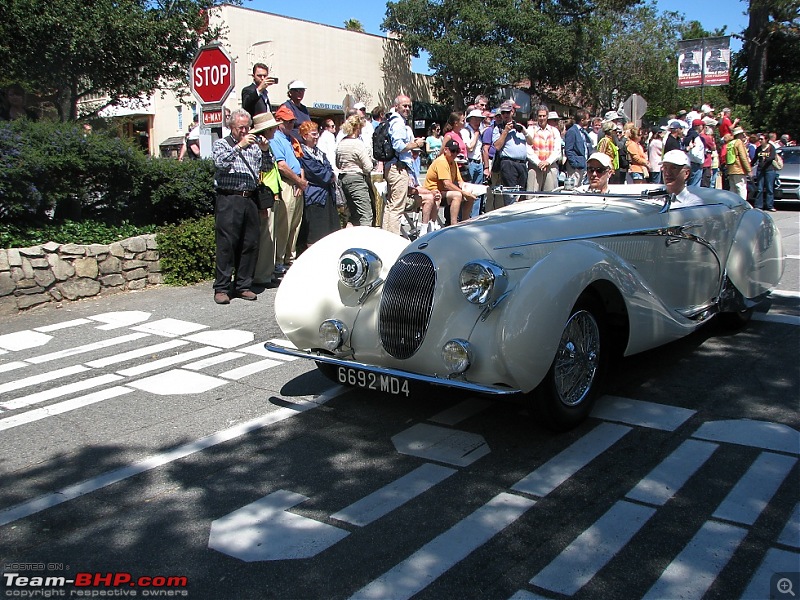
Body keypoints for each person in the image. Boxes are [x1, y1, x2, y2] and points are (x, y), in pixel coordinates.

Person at [211, 108, 270, 304]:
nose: (245, 132)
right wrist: (239, 147)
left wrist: (265, 151)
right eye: (240, 128)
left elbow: (266, 169)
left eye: (247, 127)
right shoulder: (222, 144)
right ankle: (222, 287)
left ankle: (243, 285)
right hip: (229, 198)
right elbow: (220, 163)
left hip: (250, 198)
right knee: (227, 244)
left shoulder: (253, 147)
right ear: (231, 127)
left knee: (250, 243)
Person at [271, 105, 308, 277]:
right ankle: (278, 261)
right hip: (287, 183)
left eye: (292, 121)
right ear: (279, 122)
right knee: (283, 225)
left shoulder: (290, 138)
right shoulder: (275, 139)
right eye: (287, 122)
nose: (291, 124)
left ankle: (289, 258)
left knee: (295, 224)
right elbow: (282, 166)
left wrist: (301, 182)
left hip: (297, 184)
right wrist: (298, 181)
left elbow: (298, 162)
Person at [382, 94, 425, 235]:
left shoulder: (393, 120)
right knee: (397, 206)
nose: (407, 109)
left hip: (393, 166)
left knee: (391, 206)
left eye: (409, 106)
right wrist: (416, 144)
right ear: (397, 106)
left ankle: (386, 235)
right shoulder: (398, 122)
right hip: (398, 167)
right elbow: (399, 146)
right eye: (404, 106)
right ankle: (392, 239)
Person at [297, 121, 340, 250]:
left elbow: (328, 167)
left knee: (330, 230)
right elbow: (315, 172)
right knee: (315, 232)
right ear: (305, 136)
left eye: (317, 134)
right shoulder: (302, 153)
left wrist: (330, 174)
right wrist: (329, 175)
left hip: (327, 195)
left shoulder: (320, 152)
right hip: (315, 197)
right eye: (313, 134)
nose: (316, 137)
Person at [249, 112, 282, 286]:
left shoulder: (266, 145)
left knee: (270, 237)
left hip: (270, 193)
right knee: (265, 237)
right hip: (262, 195)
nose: (276, 129)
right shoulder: (257, 146)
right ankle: (262, 275)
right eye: (273, 127)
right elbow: (262, 169)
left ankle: (267, 273)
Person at [336, 114, 377, 227]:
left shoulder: (341, 143)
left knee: (352, 215)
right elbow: (368, 166)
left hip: (343, 178)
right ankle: (363, 241)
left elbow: (337, 163)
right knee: (366, 214)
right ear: (357, 128)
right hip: (357, 179)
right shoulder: (358, 144)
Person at [424, 139, 476, 224]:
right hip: (433, 191)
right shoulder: (442, 161)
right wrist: (463, 192)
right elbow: (447, 184)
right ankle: (453, 224)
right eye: (452, 151)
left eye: (457, 151)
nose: (455, 154)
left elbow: (460, 181)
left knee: (471, 196)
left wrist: (469, 189)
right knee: (457, 195)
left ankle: (465, 222)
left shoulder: (453, 162)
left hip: (444, 192)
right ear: (445, 150)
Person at [493, 100, 535, 200]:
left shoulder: (520, 127)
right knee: (510, 194)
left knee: (521, 194)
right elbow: (497, 146)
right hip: (508, 164)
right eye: (503, 113)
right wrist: (505, 131)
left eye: (507, 112)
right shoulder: (498, 128)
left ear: (512, 112)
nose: (505, 115)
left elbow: (531, 142)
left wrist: (524, 131)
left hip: (522, 164)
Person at [526, 106, 560, 191]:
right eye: (540, 116)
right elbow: (528, 149)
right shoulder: (530, 130)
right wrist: (539, 163)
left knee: (551, 195)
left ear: (547, 116)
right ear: (537, 117)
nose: (542, 118)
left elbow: (557, 150)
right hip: (535, 166)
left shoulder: (554, 131)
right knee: (532, 195)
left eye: (544, 116)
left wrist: (547, 162)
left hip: (550, 166)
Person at [463, 109, 485, 217]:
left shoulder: (479, 132)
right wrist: (476, 135)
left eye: (479, 119)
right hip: (470, 163)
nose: (478, 122)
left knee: (478, 192)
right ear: (470, 120)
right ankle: (466, 216)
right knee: (469, 191)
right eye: (475, 119)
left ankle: (475, 216)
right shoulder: (466, 131)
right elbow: (470, 148)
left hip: (478, 163)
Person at [564, 109, 592, 185]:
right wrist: (574, 164)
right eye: (587, 119)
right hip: (575, 167)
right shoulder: (572, 131)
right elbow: (568, 149)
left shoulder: (582, 131)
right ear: (582, 120)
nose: (589, 120)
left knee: (581, 187)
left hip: (583, 164)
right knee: (574, 187)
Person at [754, 134, 778, 211]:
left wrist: (765, 161)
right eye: (759, 139)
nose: (760, 141)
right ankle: (758, 206)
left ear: (766, 139)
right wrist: (749, 166)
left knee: (769, 188)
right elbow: (755, 159)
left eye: (761, 139)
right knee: (760, 189)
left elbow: (772, 157)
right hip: (760, 170)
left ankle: (770, 205)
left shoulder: (771, 147)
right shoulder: (758, 149)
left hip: (769, 170)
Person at [726, 127, 752, 200]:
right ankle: (743, 206)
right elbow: (743, 157)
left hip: (731, 169)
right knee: (742, 188)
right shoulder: (739, 142)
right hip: (739, 169)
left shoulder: (730, 143)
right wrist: (749, 170)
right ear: (740, 134)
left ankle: (733, 205)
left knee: (733, 189)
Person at [684, 119, 706, 186]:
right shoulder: (695, 137)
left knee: (690, 185)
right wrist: (701, 162)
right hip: (696, 164)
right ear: (698, 126)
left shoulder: (689, 135)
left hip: (690, 163)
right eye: (702, 125)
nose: (703, 127)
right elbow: (694, 153)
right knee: (694, 187)